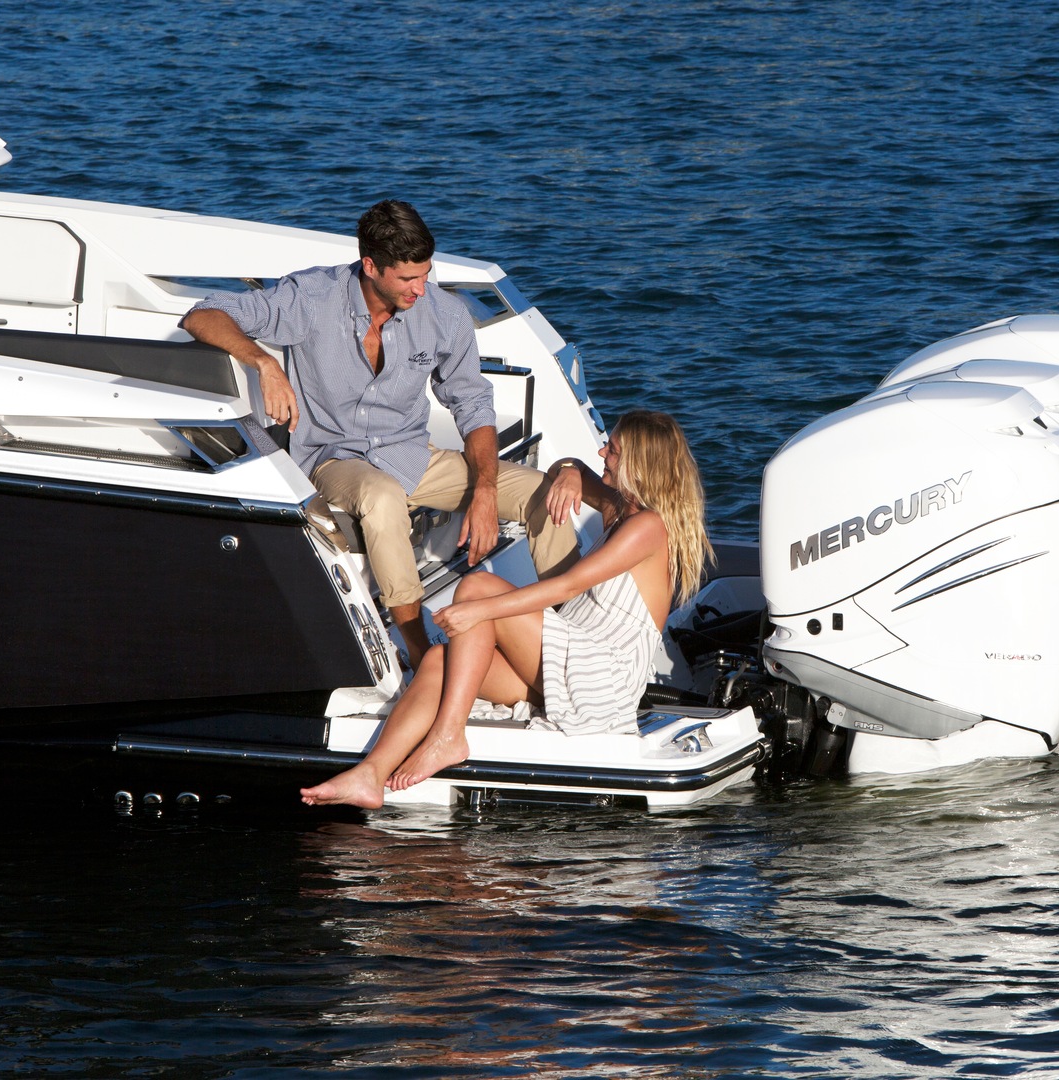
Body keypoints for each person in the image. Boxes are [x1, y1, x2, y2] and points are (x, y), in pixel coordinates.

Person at [181, 200, 578, 662]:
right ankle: (419, 649)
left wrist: (486, 489)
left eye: (425, 274)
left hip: (410, 454)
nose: (421, 289)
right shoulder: (312, 297)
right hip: (334, 458)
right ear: (370, 266)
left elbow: (472, 404)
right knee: (382, 496)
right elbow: (203, 314)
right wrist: (264, 363)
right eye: (408, 278)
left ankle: (575, 636)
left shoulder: (445, 315)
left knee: (542, 493)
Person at [300, 410, 713, 809]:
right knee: (441, 661)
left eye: (614, 450)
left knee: (478, 588)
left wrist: (481, 612)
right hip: (570, 664)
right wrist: (570, 469)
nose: (603, 452)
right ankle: (370, 774)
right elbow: (566, 470)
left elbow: (568, 586)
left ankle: (448, 736)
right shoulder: (619, 508)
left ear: (641, 465)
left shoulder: (649, 527)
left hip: (602, 677)